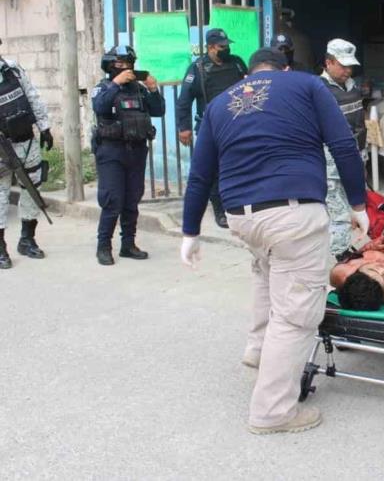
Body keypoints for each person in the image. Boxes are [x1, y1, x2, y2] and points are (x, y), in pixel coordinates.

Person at [180, 47, 368, 435]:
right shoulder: (307, 85)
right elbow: (343, 145)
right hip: (292, 213)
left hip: (242, 217)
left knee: (266, 272)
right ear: (284, 69)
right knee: (297, 313)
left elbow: (199, 176)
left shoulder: (219, 104)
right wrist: (358, 203)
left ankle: (258, 352)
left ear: (248, 75)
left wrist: (190, 232)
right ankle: (273, 411)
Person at [92, 45, 165, 266]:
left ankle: (128, 244)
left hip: (136, 150)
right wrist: (116, 84)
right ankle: (104, 246)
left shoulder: (139, 89)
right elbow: (99, 107)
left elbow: (158, 111)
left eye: (129, 64)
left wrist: (153, 90)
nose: (126, 68)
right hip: (111, 151)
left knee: (132, 199)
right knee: (112, 199)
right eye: (120, 64)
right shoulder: (104, 87)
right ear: (110, 66)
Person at [175, 28, 248, 228]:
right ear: (210, 47)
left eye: (227, 46)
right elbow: (184, 100)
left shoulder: (237, 63)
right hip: (211, 126)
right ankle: (220, 209)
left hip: (238, 123)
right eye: (222, 47)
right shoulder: (197, 69)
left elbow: (250, 86)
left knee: (240, 164)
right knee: (214, 169)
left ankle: (239, 203)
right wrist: (184, 127)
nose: (226, 49)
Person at [0, 45, 53, 269]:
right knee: (1, 195)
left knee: (32, 188)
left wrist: (44, 127)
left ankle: (27, 239)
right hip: (2, 149)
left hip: (26, 140)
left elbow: (32, 96)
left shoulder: (12, 69)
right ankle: (1, 248)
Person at [320, 38, 368, 257]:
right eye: (343, 65)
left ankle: (344, 243)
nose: (348, 70)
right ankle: (341, 253)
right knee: (337, 207)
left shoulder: (353, 87)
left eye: (350, 66)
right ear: (328, 63)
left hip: (355, 154)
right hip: (331, 159)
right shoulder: (318, 89)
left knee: (355, 203)